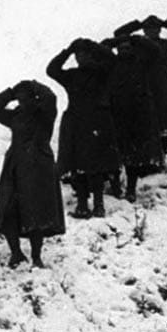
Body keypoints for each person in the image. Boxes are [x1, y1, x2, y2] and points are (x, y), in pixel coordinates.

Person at [0, 80, 65, 269]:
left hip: (39, 167)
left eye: (24, 97)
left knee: (36, 212)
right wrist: (10, 91)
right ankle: (16, 253)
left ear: (33, 97)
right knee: (10, 209)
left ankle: (36, 256)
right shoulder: (16, 116)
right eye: (18, 99)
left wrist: (34, 85)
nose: (21, 101)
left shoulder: (44, 115)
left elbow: (51, 97)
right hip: (16, 165)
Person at [45, 37, 119, 219]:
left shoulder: (102, 72)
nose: (80, 58)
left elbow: (112, 59)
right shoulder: (71, 75)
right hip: (76, 122)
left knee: (96, 164)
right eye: (78, 54)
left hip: (96, 121)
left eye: (84, 54)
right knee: (76, 164)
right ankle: (82, 204)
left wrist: (92, 45)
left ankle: (99, 204)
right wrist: (68, 50)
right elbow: (51, 70)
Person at [115, 14, 167, 149]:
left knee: (166, 115)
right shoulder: (137, 45)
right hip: (143, 83)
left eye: (155, 28)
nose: (151, 31)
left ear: (159, 30)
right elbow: (119, 34)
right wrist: (137, 23)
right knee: (145, 116)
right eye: (148, 28)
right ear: (144, 30)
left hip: (163, 84)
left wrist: (166, 22)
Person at [105, 31, 165, 201]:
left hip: (138, 116)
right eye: (120, 48)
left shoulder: (142, 63)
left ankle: (131, 189)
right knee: (115, 154)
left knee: (134, 157)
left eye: (127, 48)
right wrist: (117, 39)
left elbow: (156, 51)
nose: (123, 50)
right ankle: (116, 187)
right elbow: (101, 47)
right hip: (116, 114)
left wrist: (137, 39)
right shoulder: (111, 64)